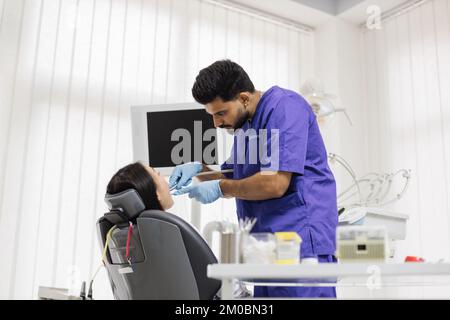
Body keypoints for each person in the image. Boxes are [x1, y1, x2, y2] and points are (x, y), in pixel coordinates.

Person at [170, 60, 338, 298]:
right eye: (212, 115)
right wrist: (200, 169)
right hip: (265, 250)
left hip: (300, 246)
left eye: (220, 113)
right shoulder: (245, 129)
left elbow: (274, 183)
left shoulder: (284, 108)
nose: (216, 123)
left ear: (244, 98)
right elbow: (234, 179)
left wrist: (220, 186)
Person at [107, 162, 174, 211]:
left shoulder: (127, 229)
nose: (164, 178)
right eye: (158, 174)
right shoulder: (169, 229)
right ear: (156, 193)